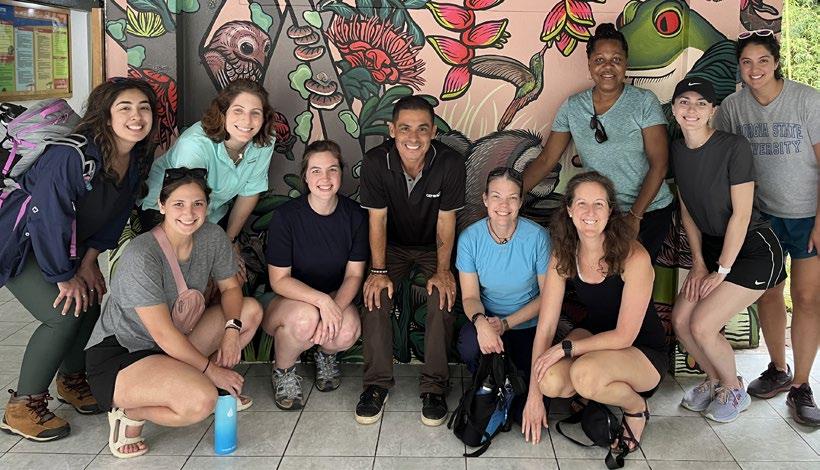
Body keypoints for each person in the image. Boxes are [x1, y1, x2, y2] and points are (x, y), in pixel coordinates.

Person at [0, 79, 157, 441]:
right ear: (105, 115)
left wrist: (88, 263)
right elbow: (46, 217)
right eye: (125, 107)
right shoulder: (72, 156)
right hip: (19, 243)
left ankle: (71, 381)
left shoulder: (132, 158)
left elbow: (116, 215)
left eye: (144, 107)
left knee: (89, 301)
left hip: (60, 246)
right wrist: (62, 275)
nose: (136, 116)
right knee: (62, 313)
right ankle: (22, 406)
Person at [84, 168, 262, 458]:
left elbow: (231, 288)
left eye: (197, 204)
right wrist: (213, 372)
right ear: (162, 205)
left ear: (207, 206)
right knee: (200, 402)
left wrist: (232, 330)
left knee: (249, 311)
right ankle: (128, 412)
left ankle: (200, 380)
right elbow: (163, 334)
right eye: (179, 204)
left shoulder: (212, 236)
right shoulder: (142, 255)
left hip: (172, 344)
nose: (189, 213)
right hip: (124, 355)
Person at [714, 30, 820, 426]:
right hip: (762, 217)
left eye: (762, 60)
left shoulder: (807, 100)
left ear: (775, 62)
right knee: (769, 293)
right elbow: (721, 157)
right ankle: (778, 369)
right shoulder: (732, 107)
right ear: (739, 68)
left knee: (806, 298)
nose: (754, 69)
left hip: (807, 215)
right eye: (746, 62)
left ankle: (802, 385)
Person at [522, 172, 667, 459]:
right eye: (582, 204)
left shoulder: (634, 257)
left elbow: (624, 336)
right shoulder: (564, 253)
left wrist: (566, 348)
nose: (590, 213)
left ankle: (635, 407)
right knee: (548, 379)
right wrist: (534, 397)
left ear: (610, 210)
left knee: (583, 375)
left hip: (641, 351)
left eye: (599, 204)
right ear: (569, 209)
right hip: (594, 337)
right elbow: (546, 326)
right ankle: (593, 391)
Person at [670, 79, 785, 423]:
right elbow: (687, 211)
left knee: (703, 324)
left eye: (701, 103)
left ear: (713, 111)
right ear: (674, 108)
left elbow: (742, 214)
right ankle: (715, 380)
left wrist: (721, 271)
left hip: (753, 250)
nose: (692, 109)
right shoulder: (677, 150)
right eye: (684, 102)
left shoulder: (734, 146)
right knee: (681, 321)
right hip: (712, 251)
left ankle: (735, 390)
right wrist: (699, 264)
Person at [356, 95, 466, 426]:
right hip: (392, 246)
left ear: (433, 131)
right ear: (392, 130)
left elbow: (446, 220)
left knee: (442, 295)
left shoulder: (450, 163)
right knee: (375, 294)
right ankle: (376, 385)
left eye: (422, 128)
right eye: (404, 128)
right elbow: (377, 219)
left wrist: (443, 270)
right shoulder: (376, 162)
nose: (413, 137)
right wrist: (378, 271)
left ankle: (434, 388)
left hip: (434, 247)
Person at [521, 23, 673, 263]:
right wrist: (511, 196)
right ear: (589, 64)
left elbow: (660, 164)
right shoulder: (573, 106)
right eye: (600, 60)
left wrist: (635, 217)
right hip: (600, 212)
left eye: (616, 59)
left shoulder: (643, 102)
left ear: (626, 63)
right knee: (597, 275)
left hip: (648, 211)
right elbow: (546, 159)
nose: (608, 67)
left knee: (632, 276)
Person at [261, 140, 368, 410]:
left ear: (341, 174)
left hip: (334, 295)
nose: (325, 178)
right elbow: (279, 280)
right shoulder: (286, 217)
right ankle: (284, 371)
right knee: (305, 318)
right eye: (316, 170)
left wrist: (334, 309)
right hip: (286, 303)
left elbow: (354, 276)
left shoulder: (355, 216)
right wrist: (322, 302)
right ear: (306, 177)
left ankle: (326, 356)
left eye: (332, 169)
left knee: (347, 330)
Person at [456, 166, 549, 424]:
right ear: (485, 199)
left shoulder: (538, 238)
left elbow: (548, 298)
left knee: (519, 414)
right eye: (496, 196)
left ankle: (505, 383)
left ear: (520, 201)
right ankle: (488, 379)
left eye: (512, 198)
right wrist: (482, 323)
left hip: (527, 325)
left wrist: (507, 323)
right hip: (489, 320)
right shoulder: (470, 239)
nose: (504, 205)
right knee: (469, 343)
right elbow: (470, 297)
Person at [140, 79, 276, 246]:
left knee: (226, 259)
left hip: (212, 212)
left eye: (255, 113)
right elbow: (185, 204)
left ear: (264, 117)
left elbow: (250, 192)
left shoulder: (264, 141)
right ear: (223, 112)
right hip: (167, 210)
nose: (247, 121)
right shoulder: (195, 145)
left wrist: (229, 241)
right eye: (238, 110)